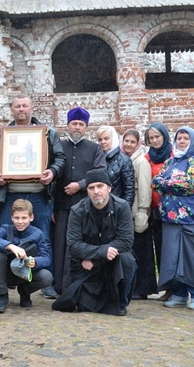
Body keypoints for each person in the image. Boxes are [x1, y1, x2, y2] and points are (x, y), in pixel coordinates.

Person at [0, 94, 66, 299]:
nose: (21, 109)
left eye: (25, 106)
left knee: (42, 238)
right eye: (17, 106)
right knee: (4, 239)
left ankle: (44, 282)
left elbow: (60, 158)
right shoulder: (1, 135)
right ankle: (2, 282)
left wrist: (53, 172)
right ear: (11, 110)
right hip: (9, 196)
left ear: (32, 109)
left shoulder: (47, 133)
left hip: (39, 196)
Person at [52, 168, 136, 316]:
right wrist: (102, 252)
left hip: (111, 262)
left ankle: (121, 302)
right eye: (91, 188)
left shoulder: (122, 207)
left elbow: (125, 241)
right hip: (85, 266)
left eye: (100, 186)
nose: (96, 191)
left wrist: (97, 258)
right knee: (85, 306)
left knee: (127, 259)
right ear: (87, 191)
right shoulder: (77, 210)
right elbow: (73, 245)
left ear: (109, 188)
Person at [152, 126, 194, 310]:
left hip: (192, 217)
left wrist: (167, 183)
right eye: (179, 138)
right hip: (170, 218)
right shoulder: (170, 162)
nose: (182, 141)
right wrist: (171, 183)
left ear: (192, 141)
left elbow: (191, 184)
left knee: (193, 258)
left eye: (186, 138)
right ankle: (179, 294)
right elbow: (156, 182)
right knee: (173, 258)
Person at [53, 107, 105, 294]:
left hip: (85, 207)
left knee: (81, 245)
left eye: (81, 124)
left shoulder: (94, 149)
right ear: (68, 126)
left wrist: (81, 185)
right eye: (74, 124)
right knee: (60, 246)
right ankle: (59, 286)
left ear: (86, 127)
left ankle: (79, 284)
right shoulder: (58, 146)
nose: (77, 128)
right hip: (62, 206)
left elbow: (100, 172)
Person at [0, 199, 54, 313]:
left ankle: (25, 292)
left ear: (31, 217)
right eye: (17, 218)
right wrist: (10, 246)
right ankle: (2, 296)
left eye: (24, 218)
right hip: (6, 273)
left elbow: (46, 257)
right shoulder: (6, 229)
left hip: (26, 274)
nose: (20, 222)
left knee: (47, 277)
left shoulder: (38, 234)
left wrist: (36, 262)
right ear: (12, 217)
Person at [140, 122, 173, 301]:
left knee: (171, 250)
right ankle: (164, 287)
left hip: (173, 210)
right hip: (155, 210)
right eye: (151, 138)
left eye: (157, 137)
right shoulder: (147, 158)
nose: (154, 141)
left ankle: (174, 288)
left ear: (164, 136)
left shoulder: (174, 155)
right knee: (159, 249)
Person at [120, 129, 152, 299]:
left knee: (141, 252)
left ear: (138, 144)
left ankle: (142, 288)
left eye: (132, 142)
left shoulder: (140, 162)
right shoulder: (124, 159)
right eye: (126, 141)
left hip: (138, 212)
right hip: (128, 213)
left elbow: (145, 188)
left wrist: (143, 211)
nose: (129, 145)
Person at [96, 126, 134, 207]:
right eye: (100, 139)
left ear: (113, 139)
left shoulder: (124, 160)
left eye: (106, 138)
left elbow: (129, 190)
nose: (103, 142)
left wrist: (125, 211)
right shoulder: (97, 158)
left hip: (117, 208)